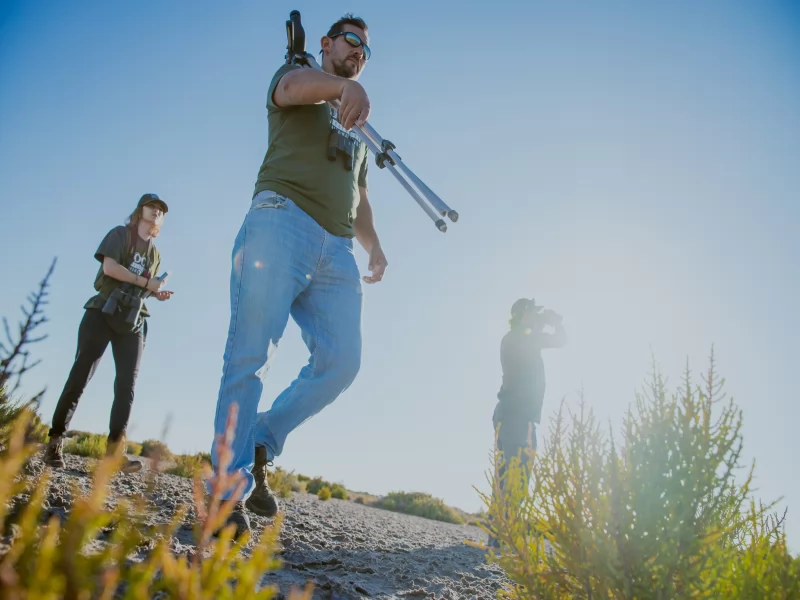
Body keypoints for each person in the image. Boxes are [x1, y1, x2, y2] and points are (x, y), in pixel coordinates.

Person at [209, 13, 387, 537]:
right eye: (352, 42)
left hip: (337, 250)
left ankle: (261, 438)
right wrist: (341, 85)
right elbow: (290, 90)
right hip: (280, 221)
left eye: (366, 51)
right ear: (328, 43)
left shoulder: (355, 124)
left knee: (341, 361)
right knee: (250, 355)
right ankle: (224, 493)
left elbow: (361, 199)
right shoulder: (299, 76)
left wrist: (374, 247)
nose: (359, 52)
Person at [43, 193, 173, 473]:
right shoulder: (119, 234)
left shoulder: (155, 254)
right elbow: (110, 268)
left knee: (127, 386)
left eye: (161, 211)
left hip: (133, 320)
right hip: (102, 311)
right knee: (80, 376)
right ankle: (55, 441)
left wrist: (155, 293)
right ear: (140, 210)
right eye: (152, 207)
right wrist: (144, 282)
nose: (156, 212)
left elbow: (143, 289)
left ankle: (115, 454)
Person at [487, 297, 567, 548]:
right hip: (513, 415)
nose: (536, 316)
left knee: (521, 475)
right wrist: (546, 323)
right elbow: (543, 339)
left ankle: (504, 534)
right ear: (522, 315)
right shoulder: (514, 338)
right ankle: (497, 537)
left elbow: (561, 340)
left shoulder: (528, 336)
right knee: (509, 475)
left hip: (525, 418)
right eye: (532, 312)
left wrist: (554, 323)